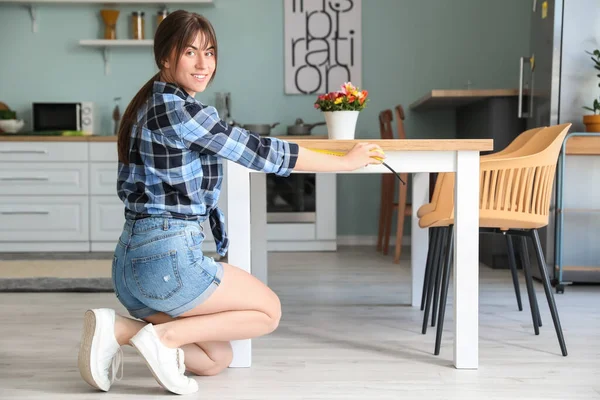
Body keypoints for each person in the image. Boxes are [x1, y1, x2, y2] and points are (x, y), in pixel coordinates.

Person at [77, 9, 384, 396]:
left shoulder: (145, 106)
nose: (204, 63)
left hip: (130, 265)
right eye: (190, 52)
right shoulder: (180, 110)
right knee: (267, 311)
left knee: (214, 358)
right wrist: (344, 163)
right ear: (165, 58)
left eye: (210, 52)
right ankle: (164, 337)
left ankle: (121, 329)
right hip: (165, 258)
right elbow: (259, 151)